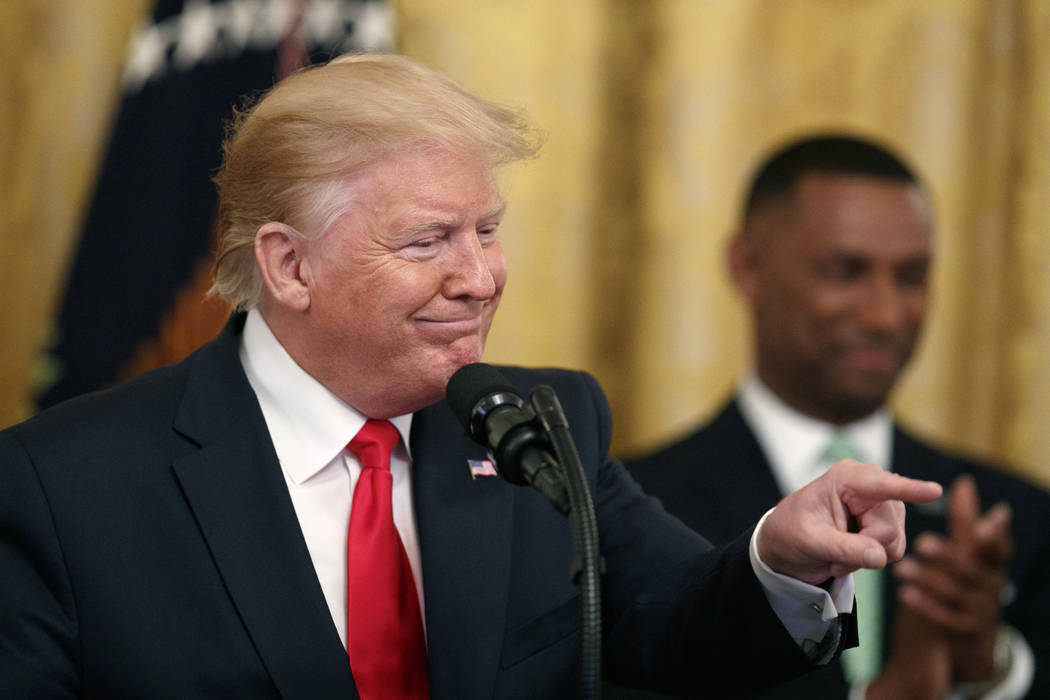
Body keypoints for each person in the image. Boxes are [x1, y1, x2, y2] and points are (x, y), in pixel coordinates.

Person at [0, 58, 941, 700]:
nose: (480, 277)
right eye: (428, 242)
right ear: (289, 268)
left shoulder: (540, 423)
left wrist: (781, 553)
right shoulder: (62, 488)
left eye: (486, 231)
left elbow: (683, 625)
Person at [626, 134, 1050, 699]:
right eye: (846, 271)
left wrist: (988, 664)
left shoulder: (1016, 518)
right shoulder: (636, 513)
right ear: (747, 267)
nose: (884, 314)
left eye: (911, 277)